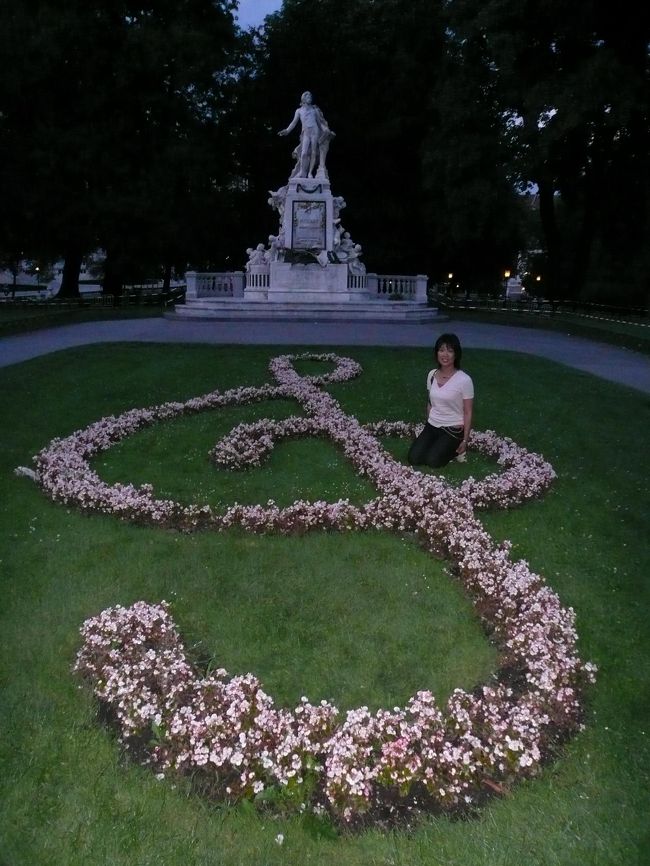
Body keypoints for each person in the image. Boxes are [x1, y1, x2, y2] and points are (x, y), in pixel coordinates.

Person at [408, 333, 474, 468]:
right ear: (437, 353)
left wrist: (465, 440)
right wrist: (429, 422)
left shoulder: (464, 380)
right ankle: (436, 444)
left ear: (456, 354)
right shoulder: (432, 375)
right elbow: (430, 403)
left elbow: (468, 412)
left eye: (450, 351)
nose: (445, 355)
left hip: (452, 429)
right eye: (441, 350)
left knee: (433, 461)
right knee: (414, 458)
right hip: (432, 425)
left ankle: (456, 451)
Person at [278, 91, 335, 178]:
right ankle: (302, 171)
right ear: (303, 99)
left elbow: (319, 124)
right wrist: (287, 130)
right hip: (306, 133)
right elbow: (293, 123)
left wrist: (326, 131)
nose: (310, 98)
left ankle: (310, 173)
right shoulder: (299, 111)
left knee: (313, 152)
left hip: (314, 132)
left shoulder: (314, 110)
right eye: (308, 97)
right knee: (304, 152)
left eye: (311, 97)